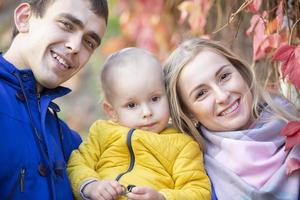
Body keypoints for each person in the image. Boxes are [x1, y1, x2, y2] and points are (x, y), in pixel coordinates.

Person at [163, 38, 300, 200]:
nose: (222, 96)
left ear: (240, 71)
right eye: (201, 93)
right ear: (188, 112)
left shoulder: (293, 121)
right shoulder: (194, 179)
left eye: (224, 76)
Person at [67, 47, 211, 200]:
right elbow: (77, 164)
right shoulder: (101, 133)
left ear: (167, 95)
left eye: (155, 99)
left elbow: (199, 191)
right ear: (111, 111)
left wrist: (162, 197)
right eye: (132, 105)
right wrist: (91, 186)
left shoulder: (182, 145)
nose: (147, 112)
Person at [0, 0, 108, 199]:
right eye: (66, 25)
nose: (75, 47)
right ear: (24, 19)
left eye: (89, 42)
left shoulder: (71, 143)